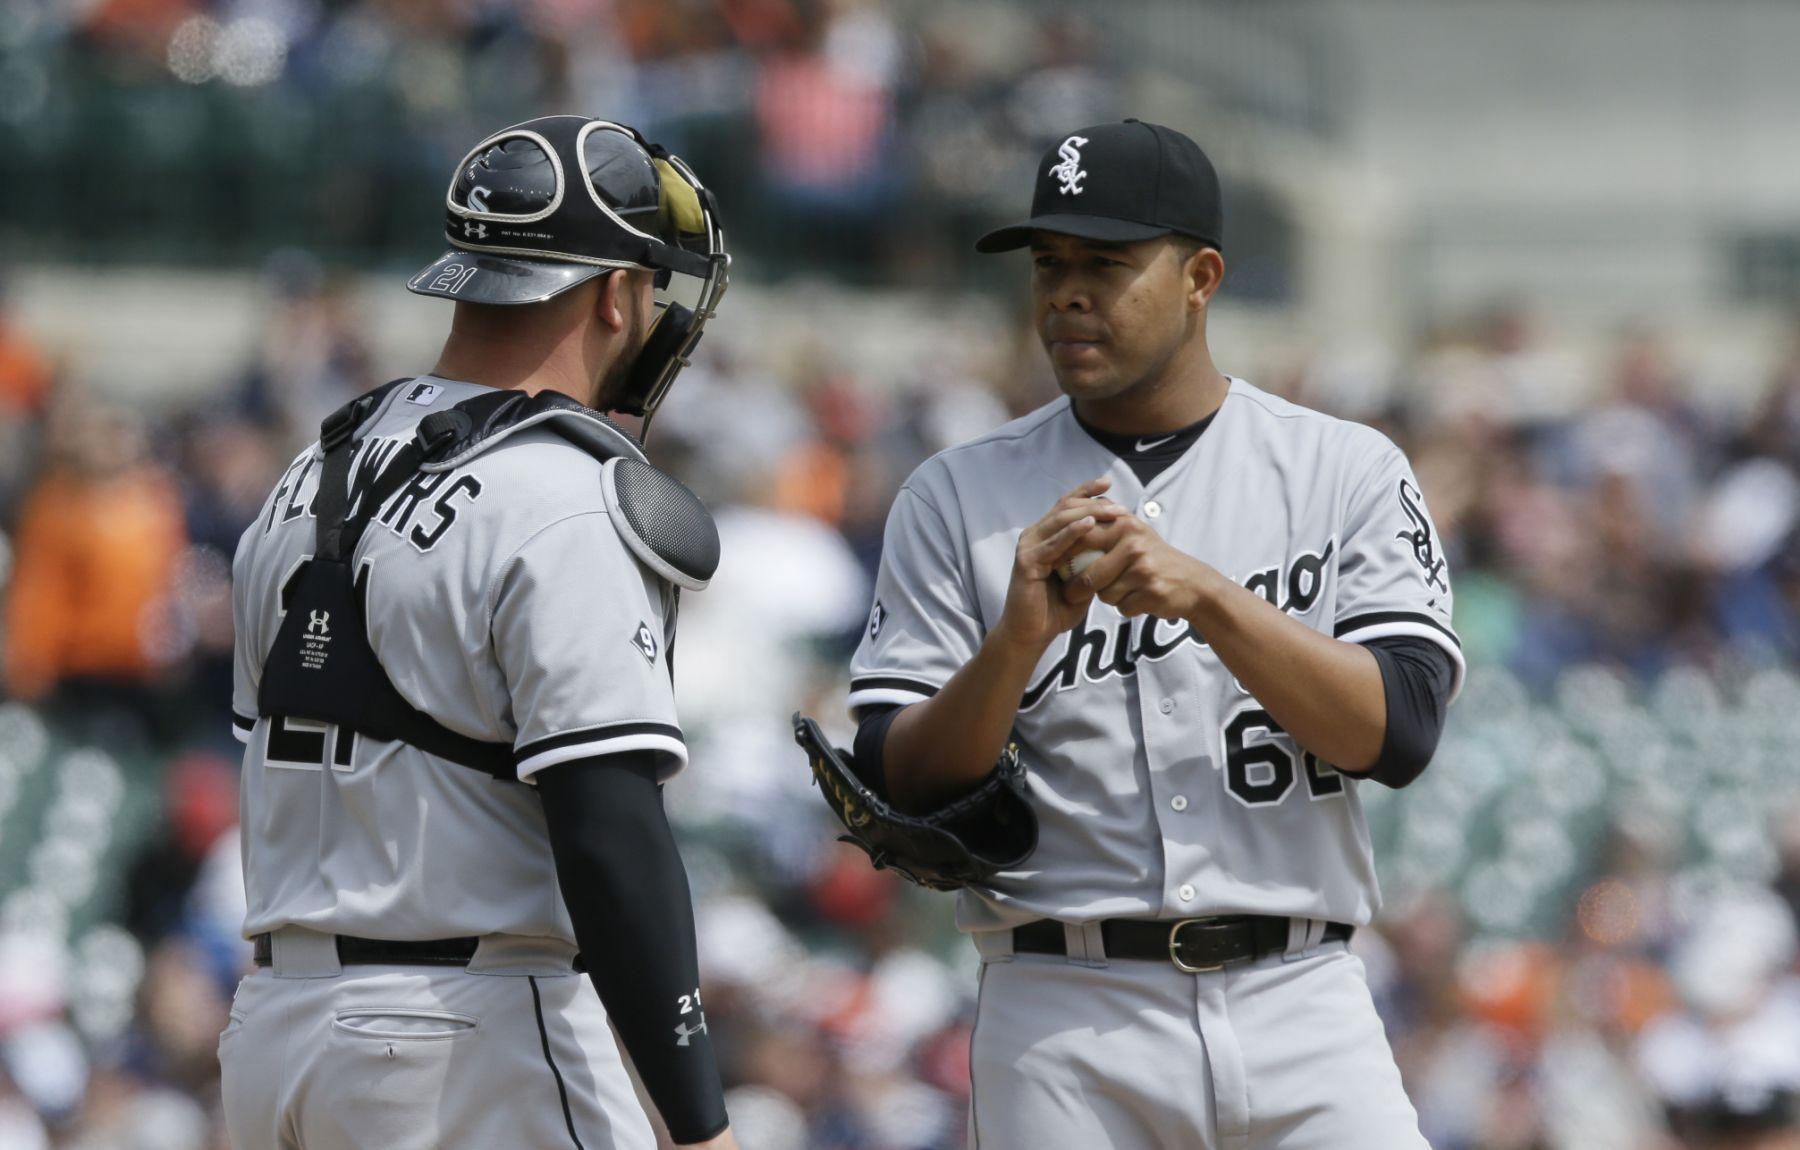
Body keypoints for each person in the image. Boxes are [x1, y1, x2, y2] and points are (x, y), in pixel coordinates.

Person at [845, 120, 1462, 1148]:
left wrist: (1214, 600)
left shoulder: (1343, 469)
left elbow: (1398, 732)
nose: (1067, 294)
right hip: (1064, 1012)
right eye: (1050, 265)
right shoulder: (954, 495)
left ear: (1201, 276)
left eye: (1107, 264)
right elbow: (900, 780)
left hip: (1301, 1000)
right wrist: (1014, 645)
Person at [223, 115, 737, 1149]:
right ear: (615, 295)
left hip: (275, 1035)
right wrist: (699, 1123)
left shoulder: (309, 470)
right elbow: (608, 833)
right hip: (463, 1040)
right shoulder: (567, 496)